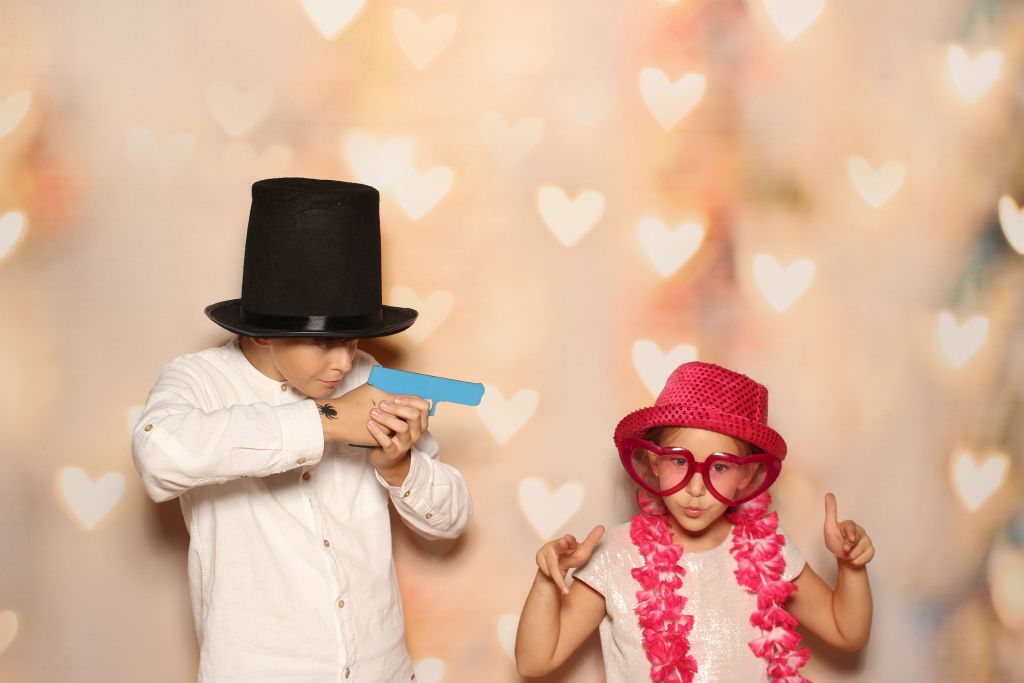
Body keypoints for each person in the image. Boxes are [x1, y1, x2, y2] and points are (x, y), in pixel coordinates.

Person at [131, 178, 472, 682]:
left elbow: (452, 520)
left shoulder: (371, 376)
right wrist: (326, 421)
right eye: (323, 343)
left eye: (352, 339)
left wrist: (401, 467)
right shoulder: (198, 379)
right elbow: (158, 455)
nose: (344, 362)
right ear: (262, 334)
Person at [515, 361, 873, 682]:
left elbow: (847, 632)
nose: (696, 488)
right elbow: (534, 662)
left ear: (747, 475)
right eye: (679, 461)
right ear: (654, 462)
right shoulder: (615, 555)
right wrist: (547, 579)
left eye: (720, 466)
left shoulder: (770, 554)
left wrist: (851, 566)